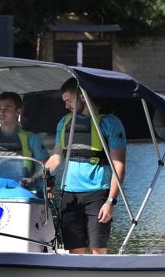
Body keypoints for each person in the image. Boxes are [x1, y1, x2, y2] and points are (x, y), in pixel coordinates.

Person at [43, 79, 126, 254]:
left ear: (82, 96)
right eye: (64, 101)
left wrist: (110, 202)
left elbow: (118, 165)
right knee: (75, 251)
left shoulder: (110, 123)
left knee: (97, 250)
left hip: (98, 194)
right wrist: (37, 176)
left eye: (69, 101)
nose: (66, 106)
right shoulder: (64, 123)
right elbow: (56, 159)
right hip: (69, 194)